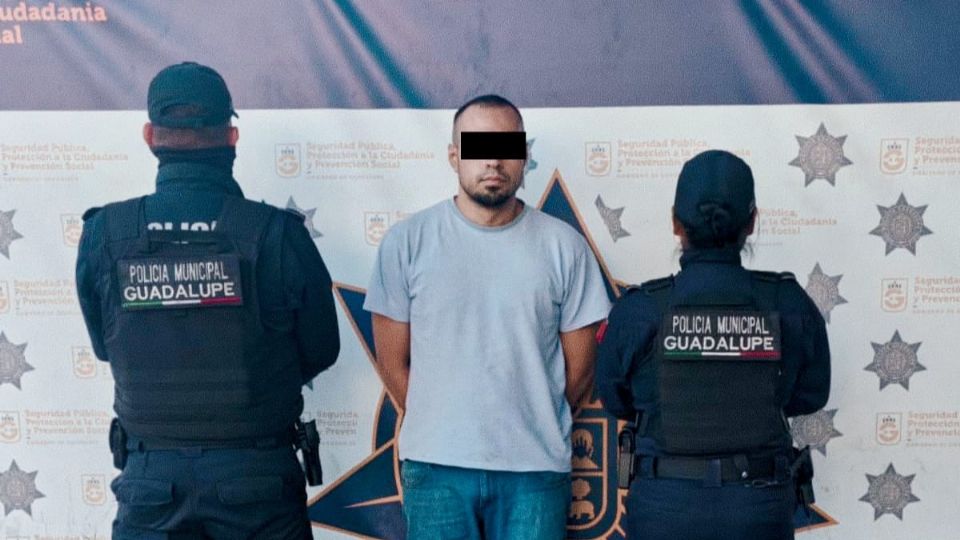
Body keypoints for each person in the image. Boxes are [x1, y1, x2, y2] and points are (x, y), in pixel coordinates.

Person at [75, 61, 340, 539]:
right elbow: (322, 349)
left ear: (149, 136)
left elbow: (104, 346)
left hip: (151, 485)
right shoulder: (275, 233)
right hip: (256, 481)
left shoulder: (105, 234)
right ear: (232, 137)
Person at [364, 94, 611, 539]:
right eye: (478, 146)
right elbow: (392, 363)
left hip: (534, 471)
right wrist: (442, 424)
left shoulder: (564, 248)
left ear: (524, 156)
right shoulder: (406, 243)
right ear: (453, 156)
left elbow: (579, 373)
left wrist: (532, 419)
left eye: (506, 147)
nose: (493, 161)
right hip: (435, 470)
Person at [596, 150, 830, 540]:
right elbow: (810, 396)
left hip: (664, 510)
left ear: (675, 223)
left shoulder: (640, 310)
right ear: (751, 222)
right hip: (757, 508)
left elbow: (616, 401)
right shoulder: (786, 302)